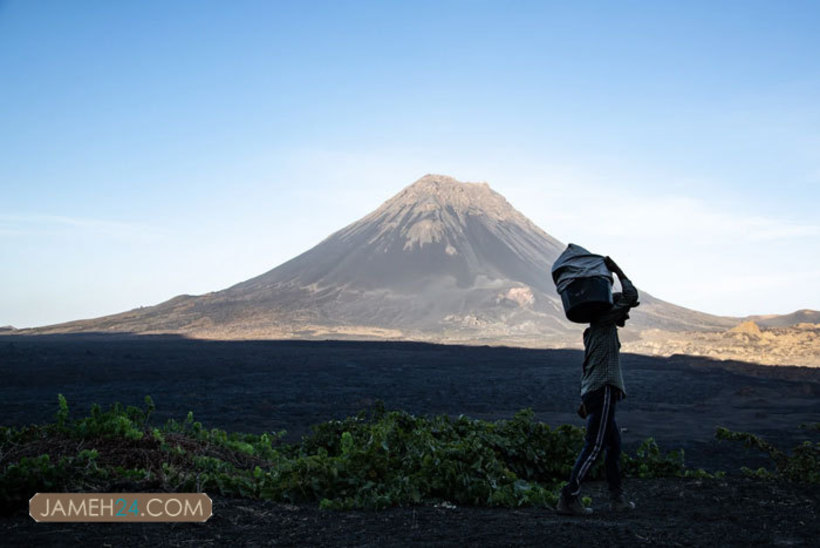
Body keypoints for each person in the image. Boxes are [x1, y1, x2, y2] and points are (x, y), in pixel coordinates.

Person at [556, 255, 640, 516]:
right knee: (594, 447)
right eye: (621, 312)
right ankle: (569, 497)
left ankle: (617, 499)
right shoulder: (604, 321)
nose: (624, 316)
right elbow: (631, 295)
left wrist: (584, 400)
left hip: (595, 392)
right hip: (603, 391)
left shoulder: (593, 330)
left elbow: (587, 366)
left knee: (613, 446)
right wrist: (617, 270)